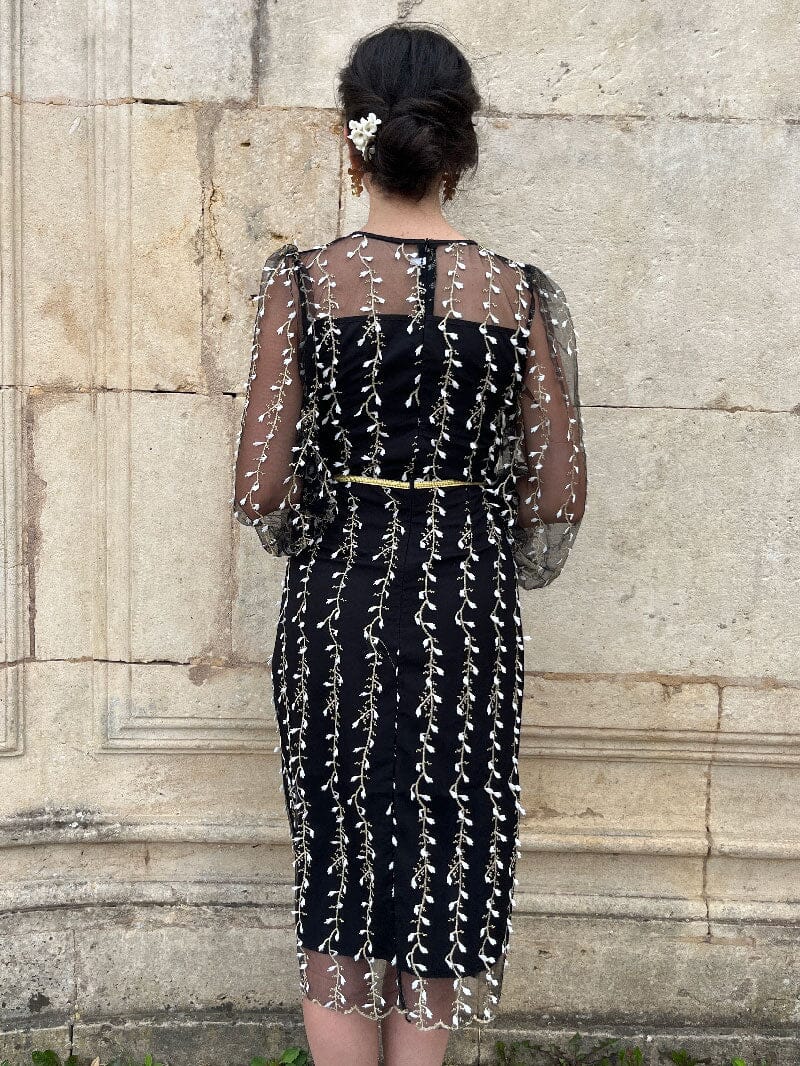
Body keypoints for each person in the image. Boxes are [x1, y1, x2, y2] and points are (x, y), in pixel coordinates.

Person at [232, 20, 588, 1066]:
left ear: (352, 138)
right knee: (442, 868)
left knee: (343, 875)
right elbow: (556, 493)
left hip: (339, 602)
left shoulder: (304, 284)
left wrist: (336, 512)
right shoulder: (518, 295)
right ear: (457, 148)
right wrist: (468, 522)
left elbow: (260, 487)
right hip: (464, 614)